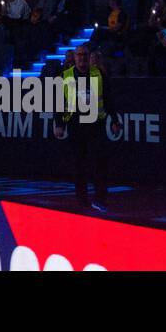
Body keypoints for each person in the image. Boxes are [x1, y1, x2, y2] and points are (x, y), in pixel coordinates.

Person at [53, 44, 120, 211]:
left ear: (89, 57)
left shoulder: (99, 75)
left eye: (85, 55)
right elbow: (59, 103)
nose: (82, 58)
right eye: (79, 55)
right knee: (79, 165)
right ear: (74, 57)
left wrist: (114, 119)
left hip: (96, 125)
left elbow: (109, 98)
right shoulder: (66, 76)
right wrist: (59, 124)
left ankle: (100, 199)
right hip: (76, 125)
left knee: (100, 163)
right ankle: (82, 200)